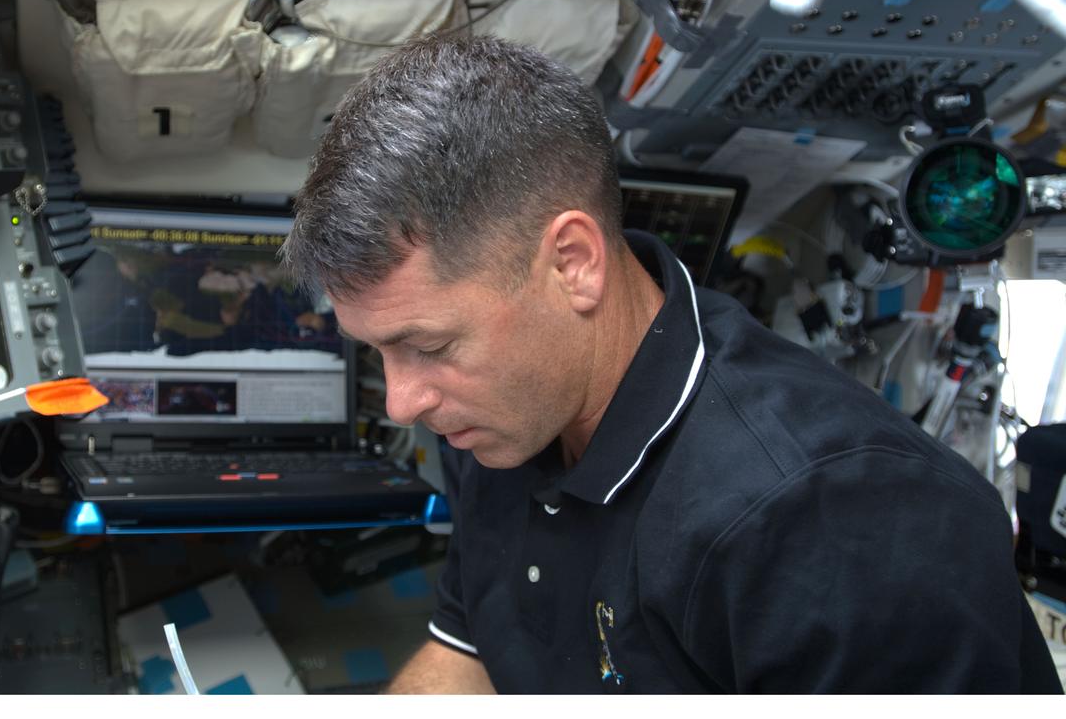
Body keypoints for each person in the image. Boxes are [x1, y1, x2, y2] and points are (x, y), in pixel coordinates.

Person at [279, 34, 1063, 694]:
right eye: (379, 353)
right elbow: (472, 650)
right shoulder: (506, 423)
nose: (403, 401)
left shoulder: (836, 520)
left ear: (574, 264)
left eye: (430, 346)